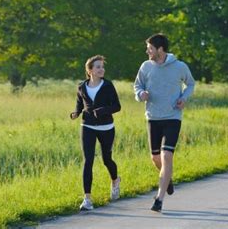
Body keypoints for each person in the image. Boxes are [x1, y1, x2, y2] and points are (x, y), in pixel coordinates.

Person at [134, 33, 195, 212]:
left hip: (172, 117)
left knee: (167, 155)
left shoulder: (179, 66)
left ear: (160, 49)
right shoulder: (145, 67)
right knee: (155, 158)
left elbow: (190, 84)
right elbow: (137, 86)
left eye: (150, 48)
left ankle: (159, 199)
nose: (147, 51)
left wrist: (184, 98)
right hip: (153, 117)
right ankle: (167, 178)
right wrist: (140, 94)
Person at [70, 55, 122, 211]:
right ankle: (87, 199)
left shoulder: (108, 85)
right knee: (88, 161)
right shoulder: (81, 86)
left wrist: (103, 110)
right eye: (98, 67)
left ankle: (115, 180)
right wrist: (76, 113)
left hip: (106, 127)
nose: (102, 69)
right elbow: (80, 104)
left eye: (102, 67)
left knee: (107, 159)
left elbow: (117, 106)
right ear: (90, 70)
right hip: (87, 126)